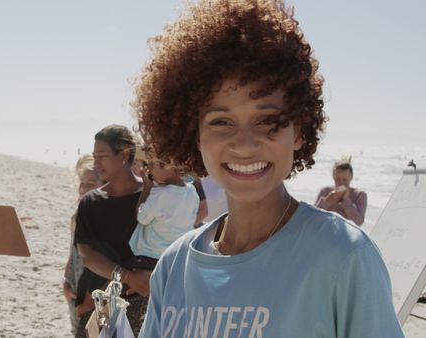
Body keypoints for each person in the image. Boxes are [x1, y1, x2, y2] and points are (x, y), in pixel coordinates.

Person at [133, 0, 403, 336]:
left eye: (268, 120)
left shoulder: (343, 256)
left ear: (300, 130)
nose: (245, 143)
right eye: (221, 121)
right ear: (194, 135)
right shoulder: (173, 267)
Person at [73, 124, 150, 336]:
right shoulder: (91, 202)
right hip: (99, 303)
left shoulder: (153, 196)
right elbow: (87, 255)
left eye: (102, 156)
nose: (96, 164)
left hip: (146, 301)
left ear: (124, 155)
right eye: (94, 156)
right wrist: (127, 277)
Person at [127, 155, 199, 271]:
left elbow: (141, 217)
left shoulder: (160, 195)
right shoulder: (191, 191)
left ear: (169, 165)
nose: (148, 168)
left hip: (151, 257)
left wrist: (147, 187)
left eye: (151, 164)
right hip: (177, 256)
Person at [62, 154, 103, 336]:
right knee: (76, 330)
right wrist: (66, 281)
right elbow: (72, 253)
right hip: (75, 287)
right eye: (82, 183)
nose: (83, 188)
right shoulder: (77, 217)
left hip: (96, 290)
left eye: (91, 184)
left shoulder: (105, 219)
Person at [315, 158, 367, 226]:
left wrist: (346, 201)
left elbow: (358, 222)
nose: (341, 183)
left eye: (345, 180)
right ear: (334, 177)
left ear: (351, 177)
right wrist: (327, 201)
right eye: (338, 180)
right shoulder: (325, 191)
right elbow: (314, 217)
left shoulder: (360, 195)